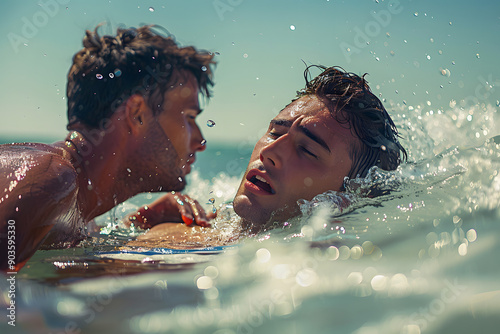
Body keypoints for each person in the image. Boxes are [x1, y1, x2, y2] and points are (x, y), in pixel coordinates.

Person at [0, 25, 215, 271]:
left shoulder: (75, 203)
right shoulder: (49, 177)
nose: (201, 142)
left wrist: (141, 220)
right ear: (137, 114)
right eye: (189, 117)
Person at [128, 65, 407, 243]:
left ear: (346, 197)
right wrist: (138, 221)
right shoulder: (180, 232)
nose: (270, 151)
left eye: (307, 150)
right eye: (274, 132)